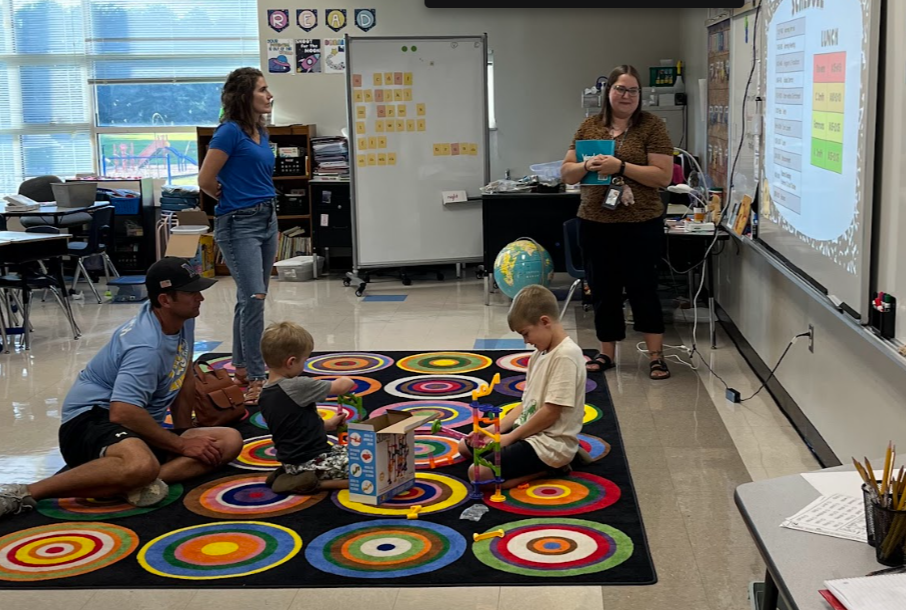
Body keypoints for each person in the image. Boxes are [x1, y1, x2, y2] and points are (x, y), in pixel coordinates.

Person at [0, 258, 243, 519]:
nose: (200, 298)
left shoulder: (183, 319)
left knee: (229, 440)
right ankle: (25, 492)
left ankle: (134, 482)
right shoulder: (146, 347)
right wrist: (181, 447)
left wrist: (183, 434)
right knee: (141, 463)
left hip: (132, 424)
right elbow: (122, 412)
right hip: (90, 421)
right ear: (165, 300)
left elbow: (183, 373)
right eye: (191, 293)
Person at [561, 64, 675, 380]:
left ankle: (656, 356)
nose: (626, 95)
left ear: (640, 95)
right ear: (608, 92)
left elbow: (662, 176)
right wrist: (587, 164)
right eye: (620, 89)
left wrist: (620, 166)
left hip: (641, 224)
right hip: (595, 223)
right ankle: (606, 353)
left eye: (632, 90)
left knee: (644, 290)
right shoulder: (588, 127)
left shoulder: (652, 127)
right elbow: (567, 172)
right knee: (602, 291)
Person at [198, 67, 278, 405]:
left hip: (267, 218)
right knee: (255, 298)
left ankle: (243, 366)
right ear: (244, 96)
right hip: (239, 223)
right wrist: (231, 203)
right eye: (262, 90)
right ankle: (257, 378)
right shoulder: (228, 133)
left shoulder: (261, 132)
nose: (269, 95)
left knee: (249, 298)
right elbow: (205, 179)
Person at [458, 285, 587, 489]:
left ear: (545, 321)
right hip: (527, 433)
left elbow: (551, 413)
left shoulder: (566, 356)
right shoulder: (540, 353)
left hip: (550, 444)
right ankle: (533, 460)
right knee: (465, 447)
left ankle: (554, 468)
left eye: (526, 333)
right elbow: (526, 404)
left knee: (478, 474)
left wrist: (509, 438)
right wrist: (493, 431)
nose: (526, 341)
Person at [258, 321, 356, 495]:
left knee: (357, 450)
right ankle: (310, 482)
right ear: (291, 362)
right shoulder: (297, 386)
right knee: (370, 468)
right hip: (314, 460)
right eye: (305, 360)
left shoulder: (265, 393)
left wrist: (327, 424)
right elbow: (341, 387)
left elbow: (293, 428)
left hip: (292, 461)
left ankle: (290, 475)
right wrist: (347, 379)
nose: (305, 365)